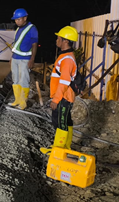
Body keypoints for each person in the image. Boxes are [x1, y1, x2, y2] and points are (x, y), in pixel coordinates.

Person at [40, 26, 78, 155]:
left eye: (58, 38)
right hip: (65, 96)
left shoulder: (67, 59)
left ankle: (58, 151)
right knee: (66, 121)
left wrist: (56, 99)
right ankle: (66, 147)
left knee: (60, 123)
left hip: (63, 98)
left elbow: (64, 81)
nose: (57, 40)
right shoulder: (66, 56)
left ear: (65, 41)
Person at [8, 8, 38, 110]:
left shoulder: (32, 28)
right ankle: (17, 100)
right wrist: (12, 57)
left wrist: (32, 59)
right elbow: (16, 44)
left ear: (25, 18)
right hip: (15, 58)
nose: (17, 21)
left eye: (19, 19)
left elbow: (34, 45)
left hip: (25, 59)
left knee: (23, 80)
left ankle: (23, 102)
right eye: (15, 20)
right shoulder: (18, 29)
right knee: (15, 79)